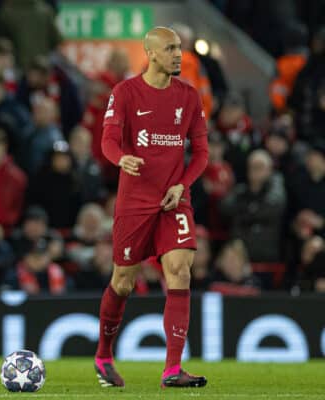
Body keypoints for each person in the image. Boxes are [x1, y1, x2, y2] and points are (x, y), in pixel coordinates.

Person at [95, 27, 209, 389]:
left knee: (180, 269)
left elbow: (201, 152)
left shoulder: (189, 97)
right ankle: (104, 354)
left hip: (173, 199)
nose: (178, 54)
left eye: (179, 48)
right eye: (171, 48)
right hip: (135, 202)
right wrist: (121, 159)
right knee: (123, 282)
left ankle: (173, 369)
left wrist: (182, 184)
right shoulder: (125, 93)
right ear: (152, 54)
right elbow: (108, 139)